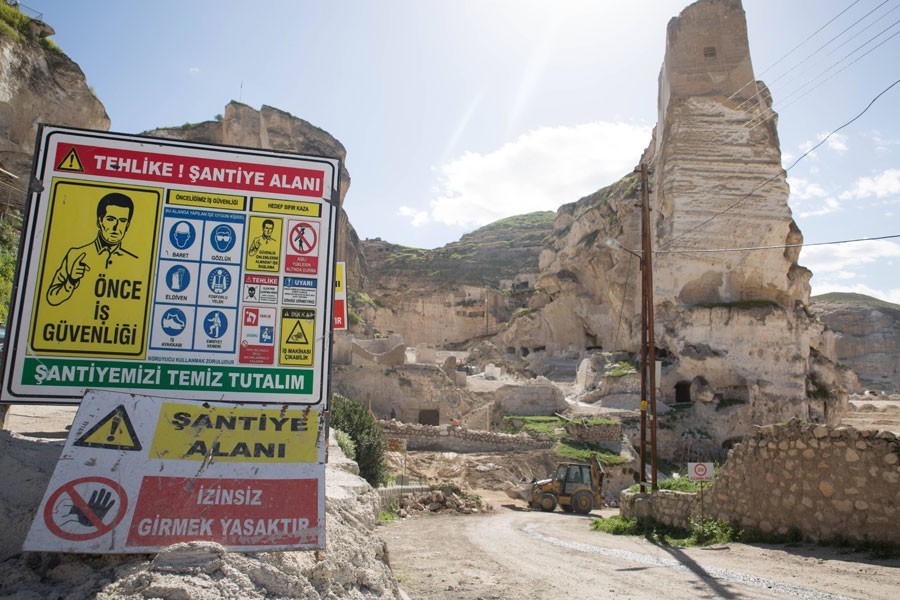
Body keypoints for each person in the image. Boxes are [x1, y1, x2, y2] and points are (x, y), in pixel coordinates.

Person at [46, 192, 138, 306]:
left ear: (127, 225)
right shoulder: (76, 255)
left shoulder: (136, 262)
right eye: (110, 219)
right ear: (99, 221)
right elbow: (52, 298)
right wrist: (71, 280)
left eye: (122, 221)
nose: (116, 227)